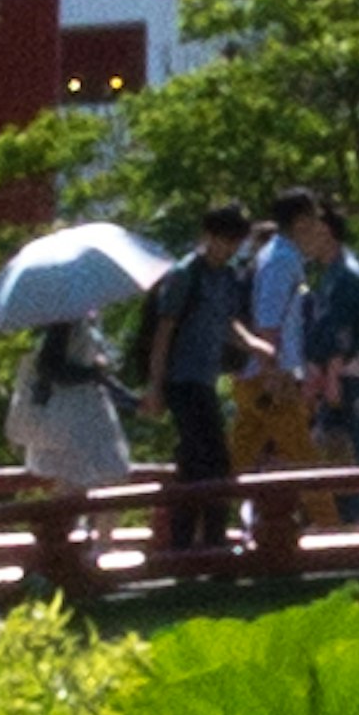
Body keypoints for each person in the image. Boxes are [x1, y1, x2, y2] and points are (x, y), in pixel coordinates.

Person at [138, 202, 268, 550]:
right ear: (208, 236)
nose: (230, 249)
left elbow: (225, 322)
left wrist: (253, 344)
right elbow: (163, 332)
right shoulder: (185, 274)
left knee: (199, 463)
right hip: (181, 380)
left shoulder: (225, 277)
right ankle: (195, 543)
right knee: (211, 460)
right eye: (225, 241)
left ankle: (201, 541)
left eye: (235, 243)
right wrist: (155, 386)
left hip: (205, 379)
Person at [293, 199, 359, 522]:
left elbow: (344, 334)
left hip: (348, 379)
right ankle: (336, 527)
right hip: (329, 379)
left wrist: (330, 376)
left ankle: (358, 530)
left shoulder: (347, 276)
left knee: (353, 458)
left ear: (326, 230)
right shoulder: (326, 276)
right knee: (328, 457)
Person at [231, 185, 322, 473]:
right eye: (314, 217)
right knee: (307, 465)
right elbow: (267, 321)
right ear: (301, 222)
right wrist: (273, 373)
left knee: (235, 461)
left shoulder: (281, 256)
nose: (318, 225)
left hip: (257, 378)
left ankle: (195, 515)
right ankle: (330, 521)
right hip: (270, 378)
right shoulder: (281, 260)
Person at [4, 315, 131, 488]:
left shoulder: (89, 318)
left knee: (109, 477)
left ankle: (84, 512)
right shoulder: (66, 319)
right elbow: (50, 367)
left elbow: (100, 375)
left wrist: (131, 400)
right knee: (76, 480)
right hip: (68, 412)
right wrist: (92, 372)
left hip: (89, 410)